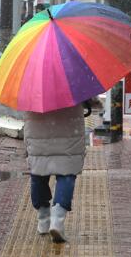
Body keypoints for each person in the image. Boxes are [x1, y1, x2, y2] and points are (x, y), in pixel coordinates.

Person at [24, 102, 89, 243]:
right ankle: (57, 221)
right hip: (70, 130)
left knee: (39, 172)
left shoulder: (33, 85)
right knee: (67, 172)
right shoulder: (74, 81)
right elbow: (89, 97)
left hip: (38, 129)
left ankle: (43, 220)